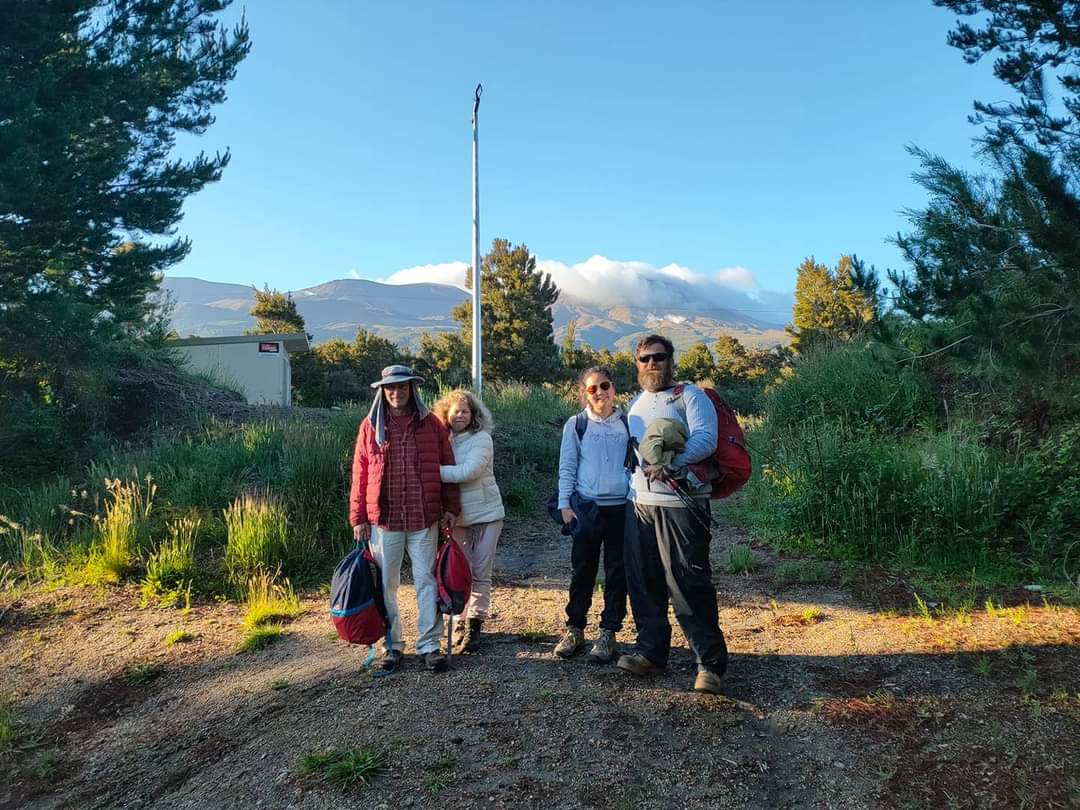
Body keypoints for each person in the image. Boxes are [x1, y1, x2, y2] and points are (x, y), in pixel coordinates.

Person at [616, 335, 728, 694]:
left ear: (670, 360)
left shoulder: (690, 396)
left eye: (659, 357)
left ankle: (709, 664)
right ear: (637, 363)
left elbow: (706, 439)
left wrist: (672, 464)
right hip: (640, 504)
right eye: (645, 359)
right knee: (643, 581)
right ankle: (651, 652)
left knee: (688, 583)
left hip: (681, 505)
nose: (652, 364)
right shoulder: (635, 403)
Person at [349, 364, 460, 673]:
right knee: (387, 584)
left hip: (423, 516)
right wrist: (358, 517)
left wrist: (451, 508)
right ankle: (392, 645)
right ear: (383, 391)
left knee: (426, 581)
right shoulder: (370, 426)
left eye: (402, 386)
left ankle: (429, 646)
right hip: (384, 519)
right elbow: (360, 473)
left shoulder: (431, 425)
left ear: (412, 389)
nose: (396, 392)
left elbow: (447, 465)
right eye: (390, 387)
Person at [553, 365, 631, 663]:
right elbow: (567, 466)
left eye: (605, 385)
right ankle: (575, 629)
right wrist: (565, 505)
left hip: (622, 508)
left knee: (617, 573)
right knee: (582, 571)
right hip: (586, 508)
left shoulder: (629, 422)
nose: (600, 392)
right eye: (592, 388)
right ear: (584, 393)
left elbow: (637, 462)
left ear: (614, 388)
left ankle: (609, 632)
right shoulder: (576, 424)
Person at [432, 389, 505, 653]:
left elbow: (470, 471)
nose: (460, 415)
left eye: (465, 411)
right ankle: (459, 622)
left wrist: (430, 472)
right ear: (446, 414)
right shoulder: (443, 441)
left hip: (487, 515)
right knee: (458, 572)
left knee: (480, 572)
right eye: (456, 411)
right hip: (458, 517)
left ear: (474, 415)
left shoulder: (482, 438)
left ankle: (476, 623)